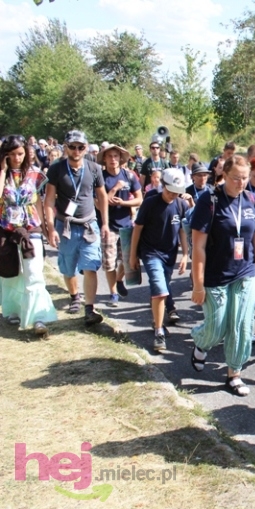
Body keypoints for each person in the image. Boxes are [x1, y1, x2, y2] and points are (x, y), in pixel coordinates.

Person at [189, 155, 255, 396]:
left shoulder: (252, 200)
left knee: (242, 326)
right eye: (236, 178)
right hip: (215, 274)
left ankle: (234, 372)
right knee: (217, 326)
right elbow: (198, 246)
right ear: (224, 174)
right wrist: (198, 284)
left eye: (245, 178)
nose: (241, 183)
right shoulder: (209, 201)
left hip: (244, 272)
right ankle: (201, 342)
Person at [44, 130, 110, 326]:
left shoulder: (94, 168)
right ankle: (74, 296)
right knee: (68, 265)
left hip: (89, 224)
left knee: (90, 265)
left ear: (86, 148)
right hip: (65, 225)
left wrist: (105, 223)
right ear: (65, 147)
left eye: (80, 147)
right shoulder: (56, 169)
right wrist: (50, 228)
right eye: (72, 147)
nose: (76, 151)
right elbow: (48, 200)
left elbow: (102, 197)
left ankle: (89, 309)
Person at [0, 136, 57, 335]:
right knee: (12, 274)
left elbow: (39, 203)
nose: (17, 158)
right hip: (6, 231)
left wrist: (48, 229)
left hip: (31, 230)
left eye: (20, 153)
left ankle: (38, 317)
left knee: (34, 273)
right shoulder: (3, 174)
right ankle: (13, 309)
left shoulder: (35, 174)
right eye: (12, 154)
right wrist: (2, 171)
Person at [129, 169, 189, 351]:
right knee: (161, 290)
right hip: (150, 252)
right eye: (169, 190)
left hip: (169, 254)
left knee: (163, 287)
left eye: (176, 191)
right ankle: (159, 332)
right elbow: (137, 229)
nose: (172, 194)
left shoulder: (181, 205)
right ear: (162, 185)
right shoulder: (150, 203)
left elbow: (182, 231)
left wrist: (185, 254)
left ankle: (157, 319)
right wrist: (132, 255)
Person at [97, 144, 143, 307]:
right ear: (104, 159)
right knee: (109, 262)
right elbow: (98, 203)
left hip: (126, 225)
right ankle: (113, 292)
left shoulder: (130, 176)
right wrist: (115, 189)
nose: (113, 159)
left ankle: (118, 279)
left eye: (116, 156)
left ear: (120, 158)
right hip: (108, 225)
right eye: (109, 156)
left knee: (129, 260)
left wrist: (124, 203)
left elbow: (140, 199)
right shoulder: (100, 177)